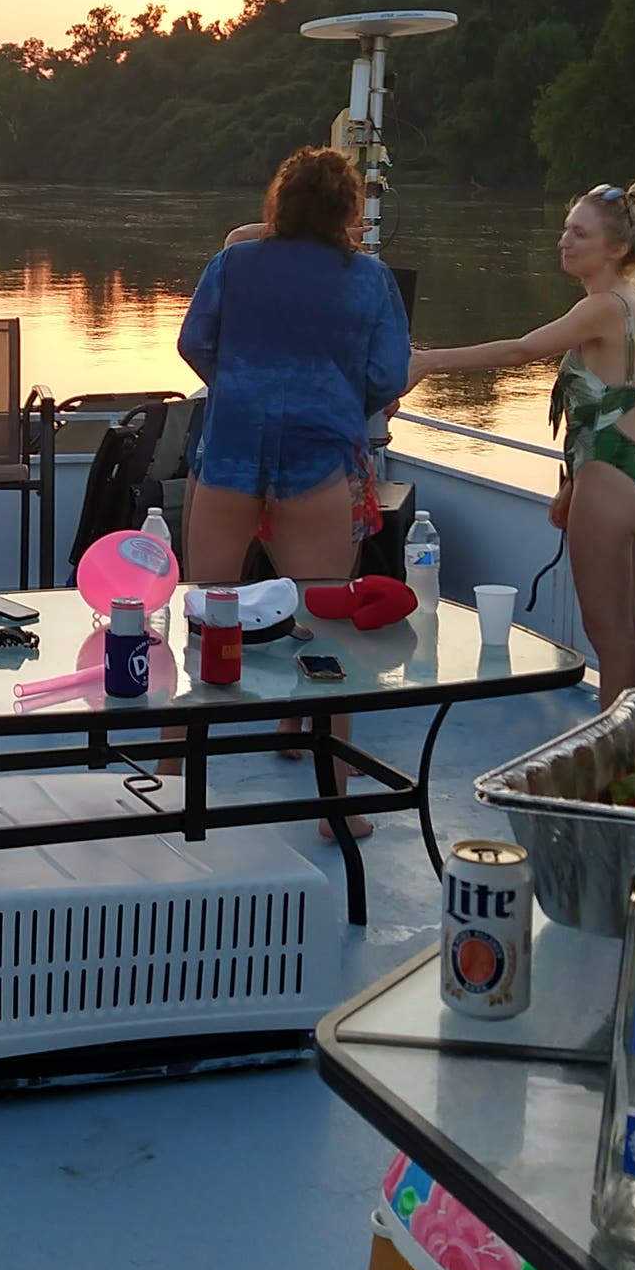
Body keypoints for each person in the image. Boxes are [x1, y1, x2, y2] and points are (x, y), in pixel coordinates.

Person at [172, 147, 410, 834]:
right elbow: (388, 373)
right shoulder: (369, 279)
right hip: (317, 455)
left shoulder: (234, 264)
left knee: (204, 613)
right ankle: (334, 805)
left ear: (279, 202)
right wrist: (340, 398)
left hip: (233, 448)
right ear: (348, 211)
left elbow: (194, 342)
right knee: (327, 625)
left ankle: (167, 779)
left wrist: (239, 385)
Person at [410, 181, 635, 706]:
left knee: (609, 636)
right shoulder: (634, 303)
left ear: (617, 249)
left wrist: (430, 361)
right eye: (565, 230)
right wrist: (573, 488)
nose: (564, 241)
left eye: (580, 233)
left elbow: (521, 351)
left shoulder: (600, 307)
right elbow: (609, 407)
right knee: (631, 621)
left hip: (609, 480)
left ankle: (613, 767)